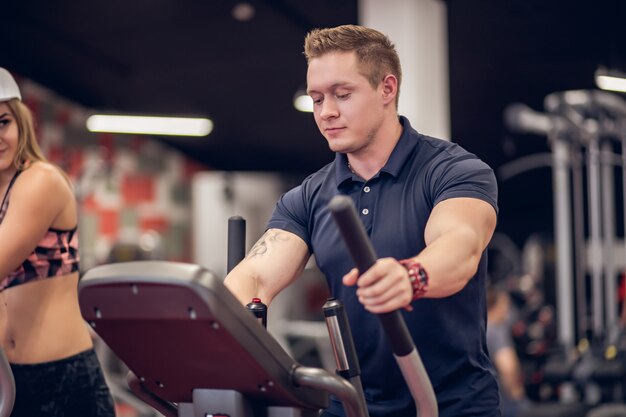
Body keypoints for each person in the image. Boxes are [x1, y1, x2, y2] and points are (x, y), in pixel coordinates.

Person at [224, 25, 499, 417]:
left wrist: (410, 277)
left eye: (342, 94)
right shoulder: (309, 196)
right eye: (317, 98)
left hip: (452, 404)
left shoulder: (454, 171)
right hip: (351, 402)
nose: (326, 112)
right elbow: (256, 275)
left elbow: (460, 246)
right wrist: (213, 318)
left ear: (387, 89)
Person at [0, 67, 115, 416]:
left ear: (20, 122)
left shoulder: (41, 181)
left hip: (64, 381)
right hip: (11, 379)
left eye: (2, 122)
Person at [486, 286, 530, 417]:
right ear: (497, 305)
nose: (507, 310)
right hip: (505, 404)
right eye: (505, 304)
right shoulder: (496, 331)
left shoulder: (480, 331)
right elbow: (507, 366)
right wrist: (515, 391)